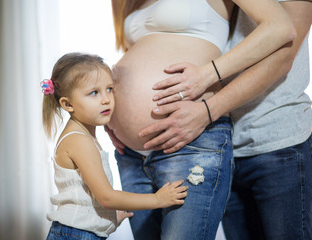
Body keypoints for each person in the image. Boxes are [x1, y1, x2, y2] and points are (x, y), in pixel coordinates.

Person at [105, 0, 296, 239]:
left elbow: (280, 27)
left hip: (191, 140)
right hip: (131, 155)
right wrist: (109, 111)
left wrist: (209, 73)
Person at [42, 52, 188, 240]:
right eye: (94, 92)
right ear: (68, 104)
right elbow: (106, 197)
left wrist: (104, 217)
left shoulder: (83, 135)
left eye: (109, 89)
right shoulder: (79, 141)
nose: (106, 99)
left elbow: (84, 195)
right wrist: (158, 199)